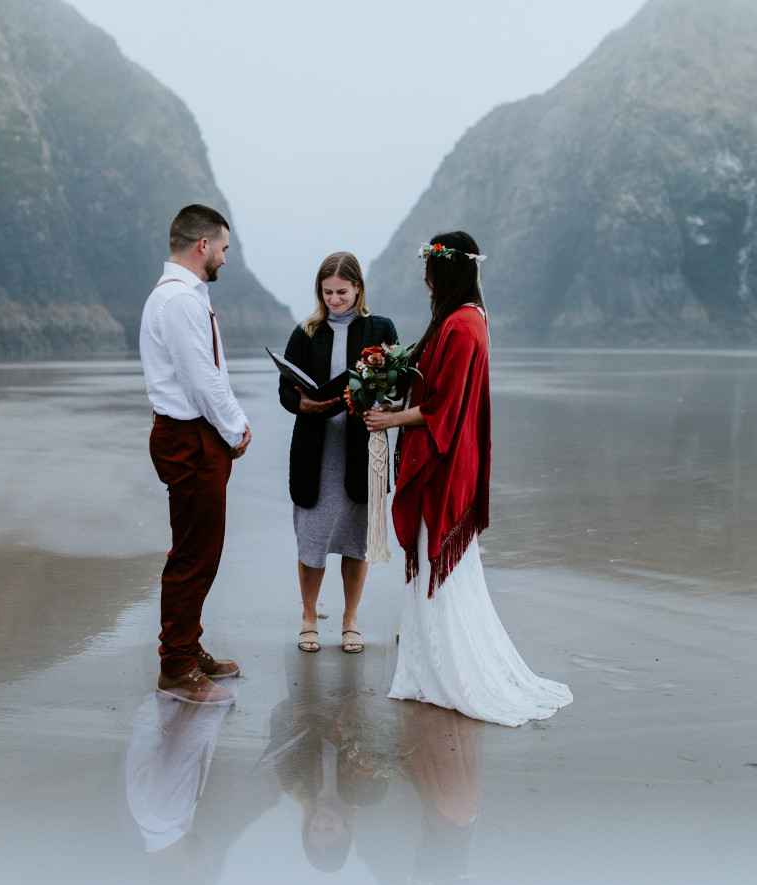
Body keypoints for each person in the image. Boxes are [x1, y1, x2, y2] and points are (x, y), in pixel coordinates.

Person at [362, 232, 571, 726]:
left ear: (447, 272)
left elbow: (444, 410)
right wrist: (399, 403)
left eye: (430, 272)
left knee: (440, 565)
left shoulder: (460, 327)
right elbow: (435, 395)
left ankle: (448, 677)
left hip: (446, 463)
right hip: (450, 457)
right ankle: (428, 672)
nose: (425, 281)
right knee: (443, 570)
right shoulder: (464, 320)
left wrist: (392, 420)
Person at [140, 204, 252, 707]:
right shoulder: (180, 302)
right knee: (193, 555)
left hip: (191, 433)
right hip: (191, 436)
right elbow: (201, 377)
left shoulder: (179, 297)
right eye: (224, 248)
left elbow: (204, 374)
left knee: (199, 551)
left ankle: (186, 646)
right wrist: (236, 428)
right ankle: (177, 666)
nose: (226, 258)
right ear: (202, 245)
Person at [278, 252, 397, 654]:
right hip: (315, 446)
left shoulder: (381, 328)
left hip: (361, 446)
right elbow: (285, 391)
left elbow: (398, 387)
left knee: (353, 539)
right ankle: (309, 618)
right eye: (327, 292)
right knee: (311, 536)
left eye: (342, 292)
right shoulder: (305, 331)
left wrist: (384, 404)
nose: (334, 299)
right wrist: (302, 406)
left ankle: (350, 621)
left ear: (358, 288)